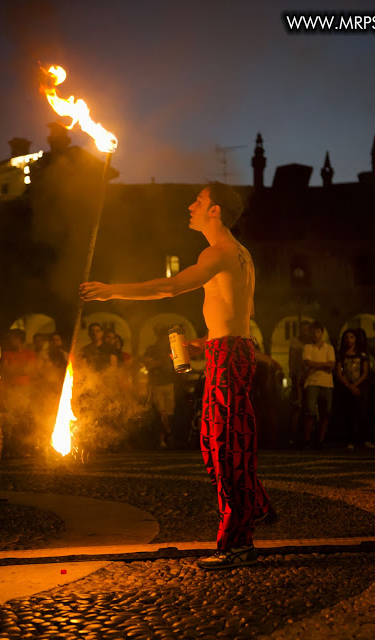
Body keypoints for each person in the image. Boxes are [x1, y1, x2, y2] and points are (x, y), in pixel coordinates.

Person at [80, 181, 277, 569]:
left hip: (231, 356)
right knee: (212, 438)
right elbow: (239, 318)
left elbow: (169, 288)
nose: (191, 206)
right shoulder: (242, 254)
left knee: (225, 446)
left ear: (215, 210)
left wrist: (110, 291)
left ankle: (238, 544)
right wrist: (203, 344)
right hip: (229, 350)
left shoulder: (218, 252)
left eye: (199, 201)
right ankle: (255, 506)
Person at [336, 329, 374, 450]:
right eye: (347, 338)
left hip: (360, 387)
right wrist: (348, 385)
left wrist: (356, 385)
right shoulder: (341, 354)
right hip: (346, 387)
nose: (349, 340)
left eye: (352, 337)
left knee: (362, 413)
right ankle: (349, 440)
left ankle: (365, 439)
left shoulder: (362, 354)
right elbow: (339, 372)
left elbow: (365, 372)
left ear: (356, 339)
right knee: (348, 414)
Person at [141, 323, 176, 449]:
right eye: (164, 335)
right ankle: (169, 435)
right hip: (156, 384)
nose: (166, 338)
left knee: (168, 413)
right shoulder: (152, 349)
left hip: (169, 383)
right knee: (162, 412)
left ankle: (162, 441)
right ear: (160, 335)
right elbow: (147, 365)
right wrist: (162, 361)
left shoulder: (171, 348)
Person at [302, 321, 335, 449]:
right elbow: (308, 363)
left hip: (327, 383)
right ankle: (307, 440)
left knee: (326, 412)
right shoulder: (307, 347)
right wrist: (324, 365)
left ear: (322, 332)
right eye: (313, 331)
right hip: (312, 382)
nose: (315, 334)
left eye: (317, 331)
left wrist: (315, 364)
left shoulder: (329, 348)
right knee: (310, 412)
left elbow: (331, 365)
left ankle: (321, 440)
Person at [288, 320, 312, 447]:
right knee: (297, 406)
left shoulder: (312, 342)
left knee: (310, 407)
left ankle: (307, 437)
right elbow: (292, 360)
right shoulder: (295, 342)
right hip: (298, 377)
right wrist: (294, 373)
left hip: (311, 377)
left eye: (307, 329)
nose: (304, 331)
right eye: (303, 329)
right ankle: (293, 437)